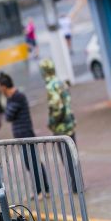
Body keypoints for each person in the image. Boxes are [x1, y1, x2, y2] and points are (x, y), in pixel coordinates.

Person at [0, 72, 50, 198]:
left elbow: (8, 116)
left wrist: (4, 99)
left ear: (3, 86)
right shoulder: (12, 97)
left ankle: (42, 191)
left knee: (33, 162)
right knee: (30, 163)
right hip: (22, 135)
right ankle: (41, 190)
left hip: (26, 134)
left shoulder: (17, 97)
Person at [40, 58, 79, 194]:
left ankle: (75, 186)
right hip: (70, 124)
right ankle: (78, 184)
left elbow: (57, 108)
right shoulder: (61, 82)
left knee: (66, 158)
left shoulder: (51, 86)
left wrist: (51, 122)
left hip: (61, 127)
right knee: (73, 155)